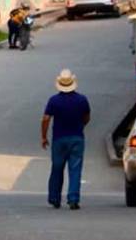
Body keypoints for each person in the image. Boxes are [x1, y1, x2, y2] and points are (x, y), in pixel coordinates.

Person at [41, 69, 91, 210]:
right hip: (77, 138)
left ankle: (54, 198)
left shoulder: (54, 101)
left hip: (59, 139)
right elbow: (87, 117)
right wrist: (80, 126)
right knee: (75, 169)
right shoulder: (82, 100)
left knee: (57, 168)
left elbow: (46, 119)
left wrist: (44, 136)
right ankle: (73, 199)